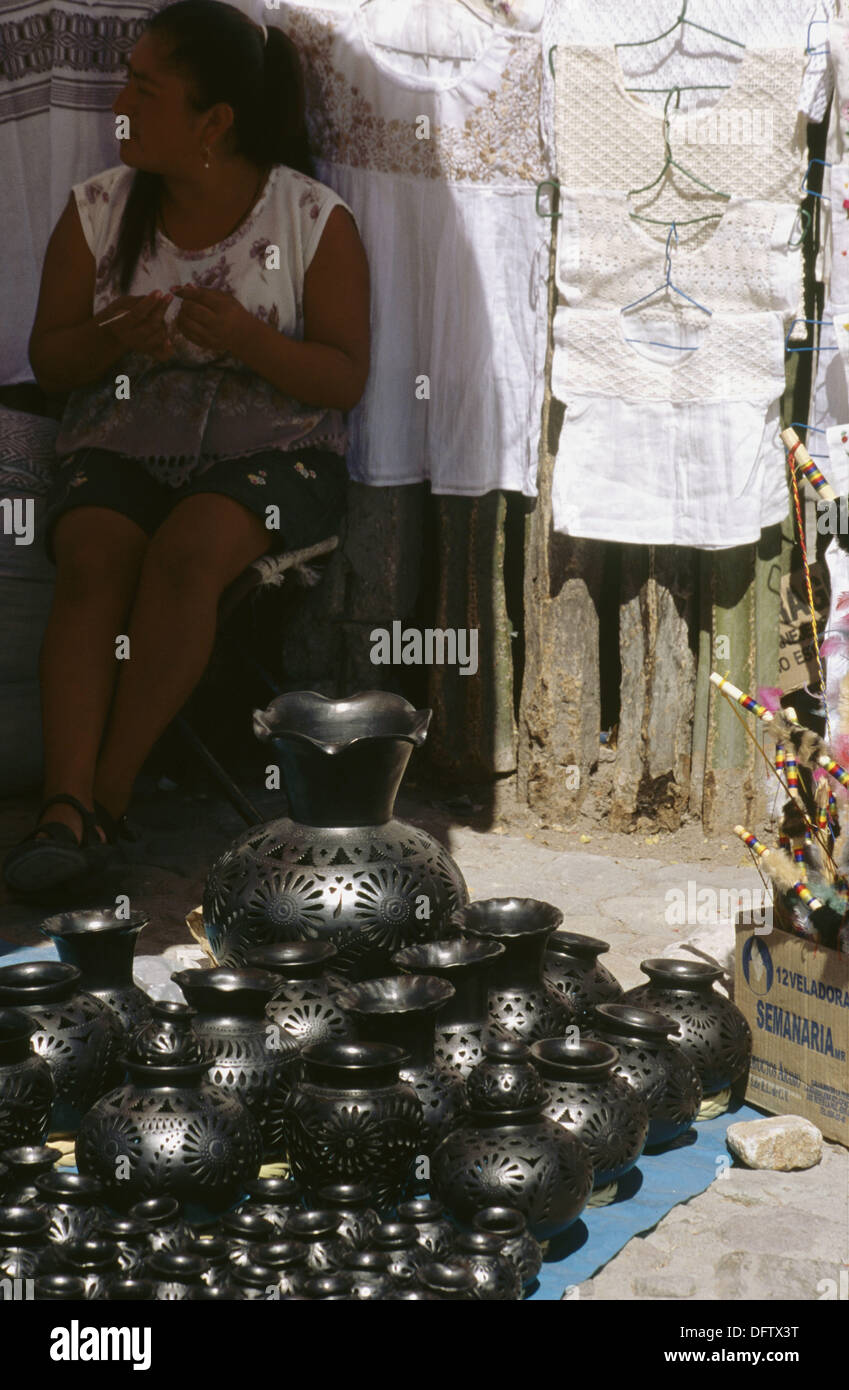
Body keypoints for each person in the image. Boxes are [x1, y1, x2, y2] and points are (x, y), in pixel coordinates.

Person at [2, 0, 370, 894]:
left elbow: (342, 378)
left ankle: (104, 799)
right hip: (124, 441)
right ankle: (64, 802)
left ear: (214, 122)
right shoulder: (96, 212)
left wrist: (248, 340)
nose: (118, 102)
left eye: (142, 87)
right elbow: (49, 359)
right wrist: (113, 341)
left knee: (187, 554)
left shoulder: (311, 220)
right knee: (93, 556)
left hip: (273, 457)